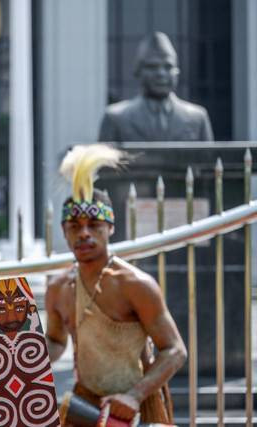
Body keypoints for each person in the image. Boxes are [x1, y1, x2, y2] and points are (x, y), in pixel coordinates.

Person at [45, 144, 187, 424]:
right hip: (85, 404)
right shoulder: (59, 287)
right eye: (74, 226)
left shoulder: (135, 284)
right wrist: (21, 361)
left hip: (136, 406)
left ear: (110, 227)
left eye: (94, 225)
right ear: (64, 231)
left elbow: (174, 350)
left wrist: (135, 395)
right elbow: (56, 340)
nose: (84, 233)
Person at [98, 32, 214, 143]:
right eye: (152, 66)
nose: (161, 74)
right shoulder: (116, 118)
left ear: (177, 72)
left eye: (168, 66)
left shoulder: (198, 118)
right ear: (138, 71)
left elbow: (209, 162)